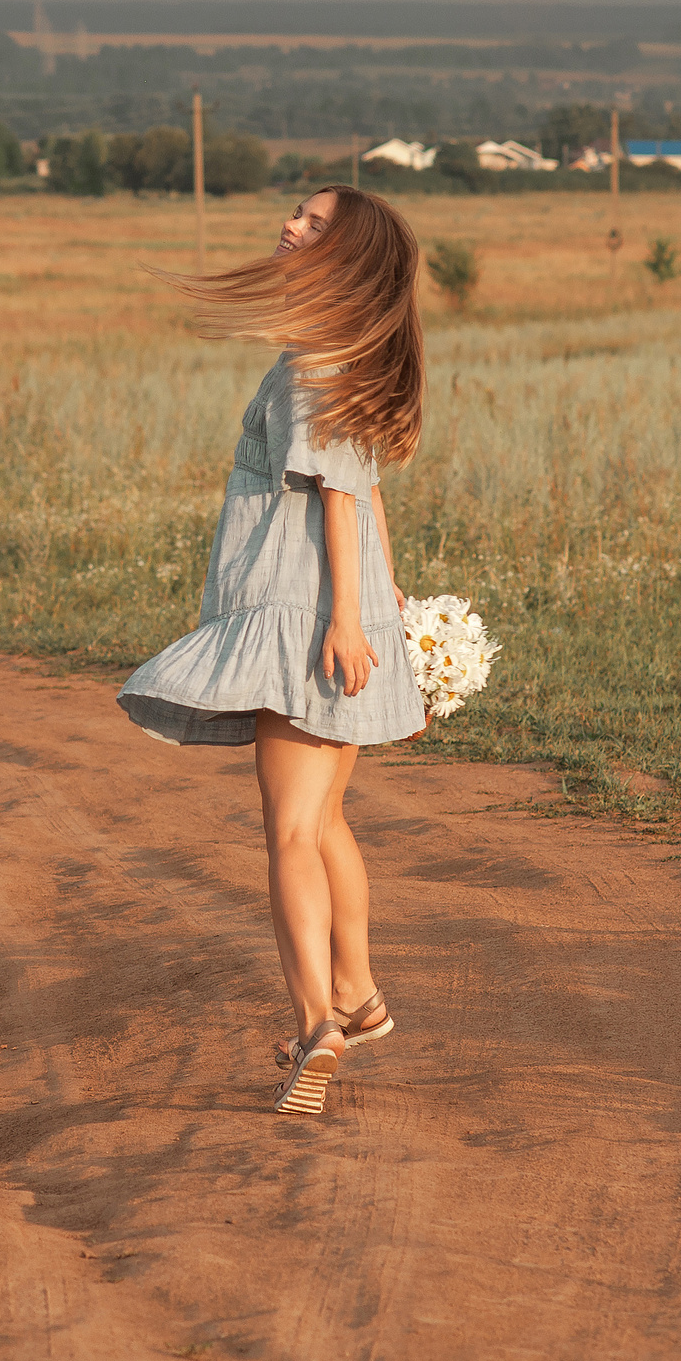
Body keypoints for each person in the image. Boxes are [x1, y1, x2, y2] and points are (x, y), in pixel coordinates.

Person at [119, 185, 428, 1115]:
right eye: (297, 213)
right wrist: (382, 596)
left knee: (290, 831)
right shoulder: (350, 347)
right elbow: (367, 490)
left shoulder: (312, 362)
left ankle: (315, 1025)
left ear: (348, 254)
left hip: (306, 617)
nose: (290, 226)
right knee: (325, 820)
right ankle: (358, 996)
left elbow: (336, 493)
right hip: (339, 609)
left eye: (314, 223)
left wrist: (344, 620)